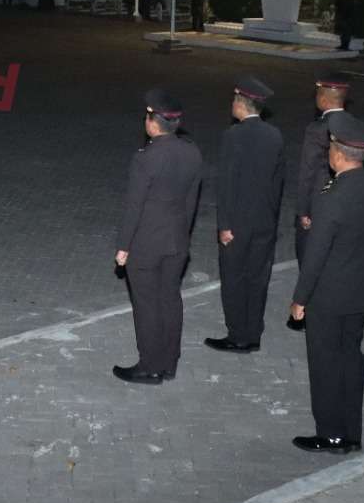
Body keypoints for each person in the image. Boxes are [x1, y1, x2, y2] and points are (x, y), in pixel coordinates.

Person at [289, 112, 364, 453]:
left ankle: (330, 432)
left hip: (328, 296)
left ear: (338, 153)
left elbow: (316, 256)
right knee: (350, 359)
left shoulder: (331, 198)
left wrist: (300, 299)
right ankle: (351, 431)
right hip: (360, 290)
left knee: (324, 364)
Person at [112, 89, 203, 384]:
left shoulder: (146, 158)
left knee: (147, 304)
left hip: (147, 243)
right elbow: (192, 200)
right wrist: (183, 235)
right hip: (177, 241)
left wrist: (123, 246)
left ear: (153, 122)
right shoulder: (192, 152)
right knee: (170, 299)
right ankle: (169, 363)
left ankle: (149, 366)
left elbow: (133, 206)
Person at [206, 76, 284, 354]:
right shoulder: (274, 135)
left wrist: (224, 225)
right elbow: (278, 182)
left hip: (237, 224)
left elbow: (226, 183)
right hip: (264, 221)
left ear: (241, 103)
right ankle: (253, 333)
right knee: (257, 279)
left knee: (234, 278)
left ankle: (237, 335)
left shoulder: (233, 136)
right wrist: (272, 218)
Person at [296, 72, 350, 263]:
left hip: (319, 201)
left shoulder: (316, 129)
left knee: (309, 256)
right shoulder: (354, 125)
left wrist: (303, 210)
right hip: (346, 200)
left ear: (324, 100)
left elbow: (307, 171)